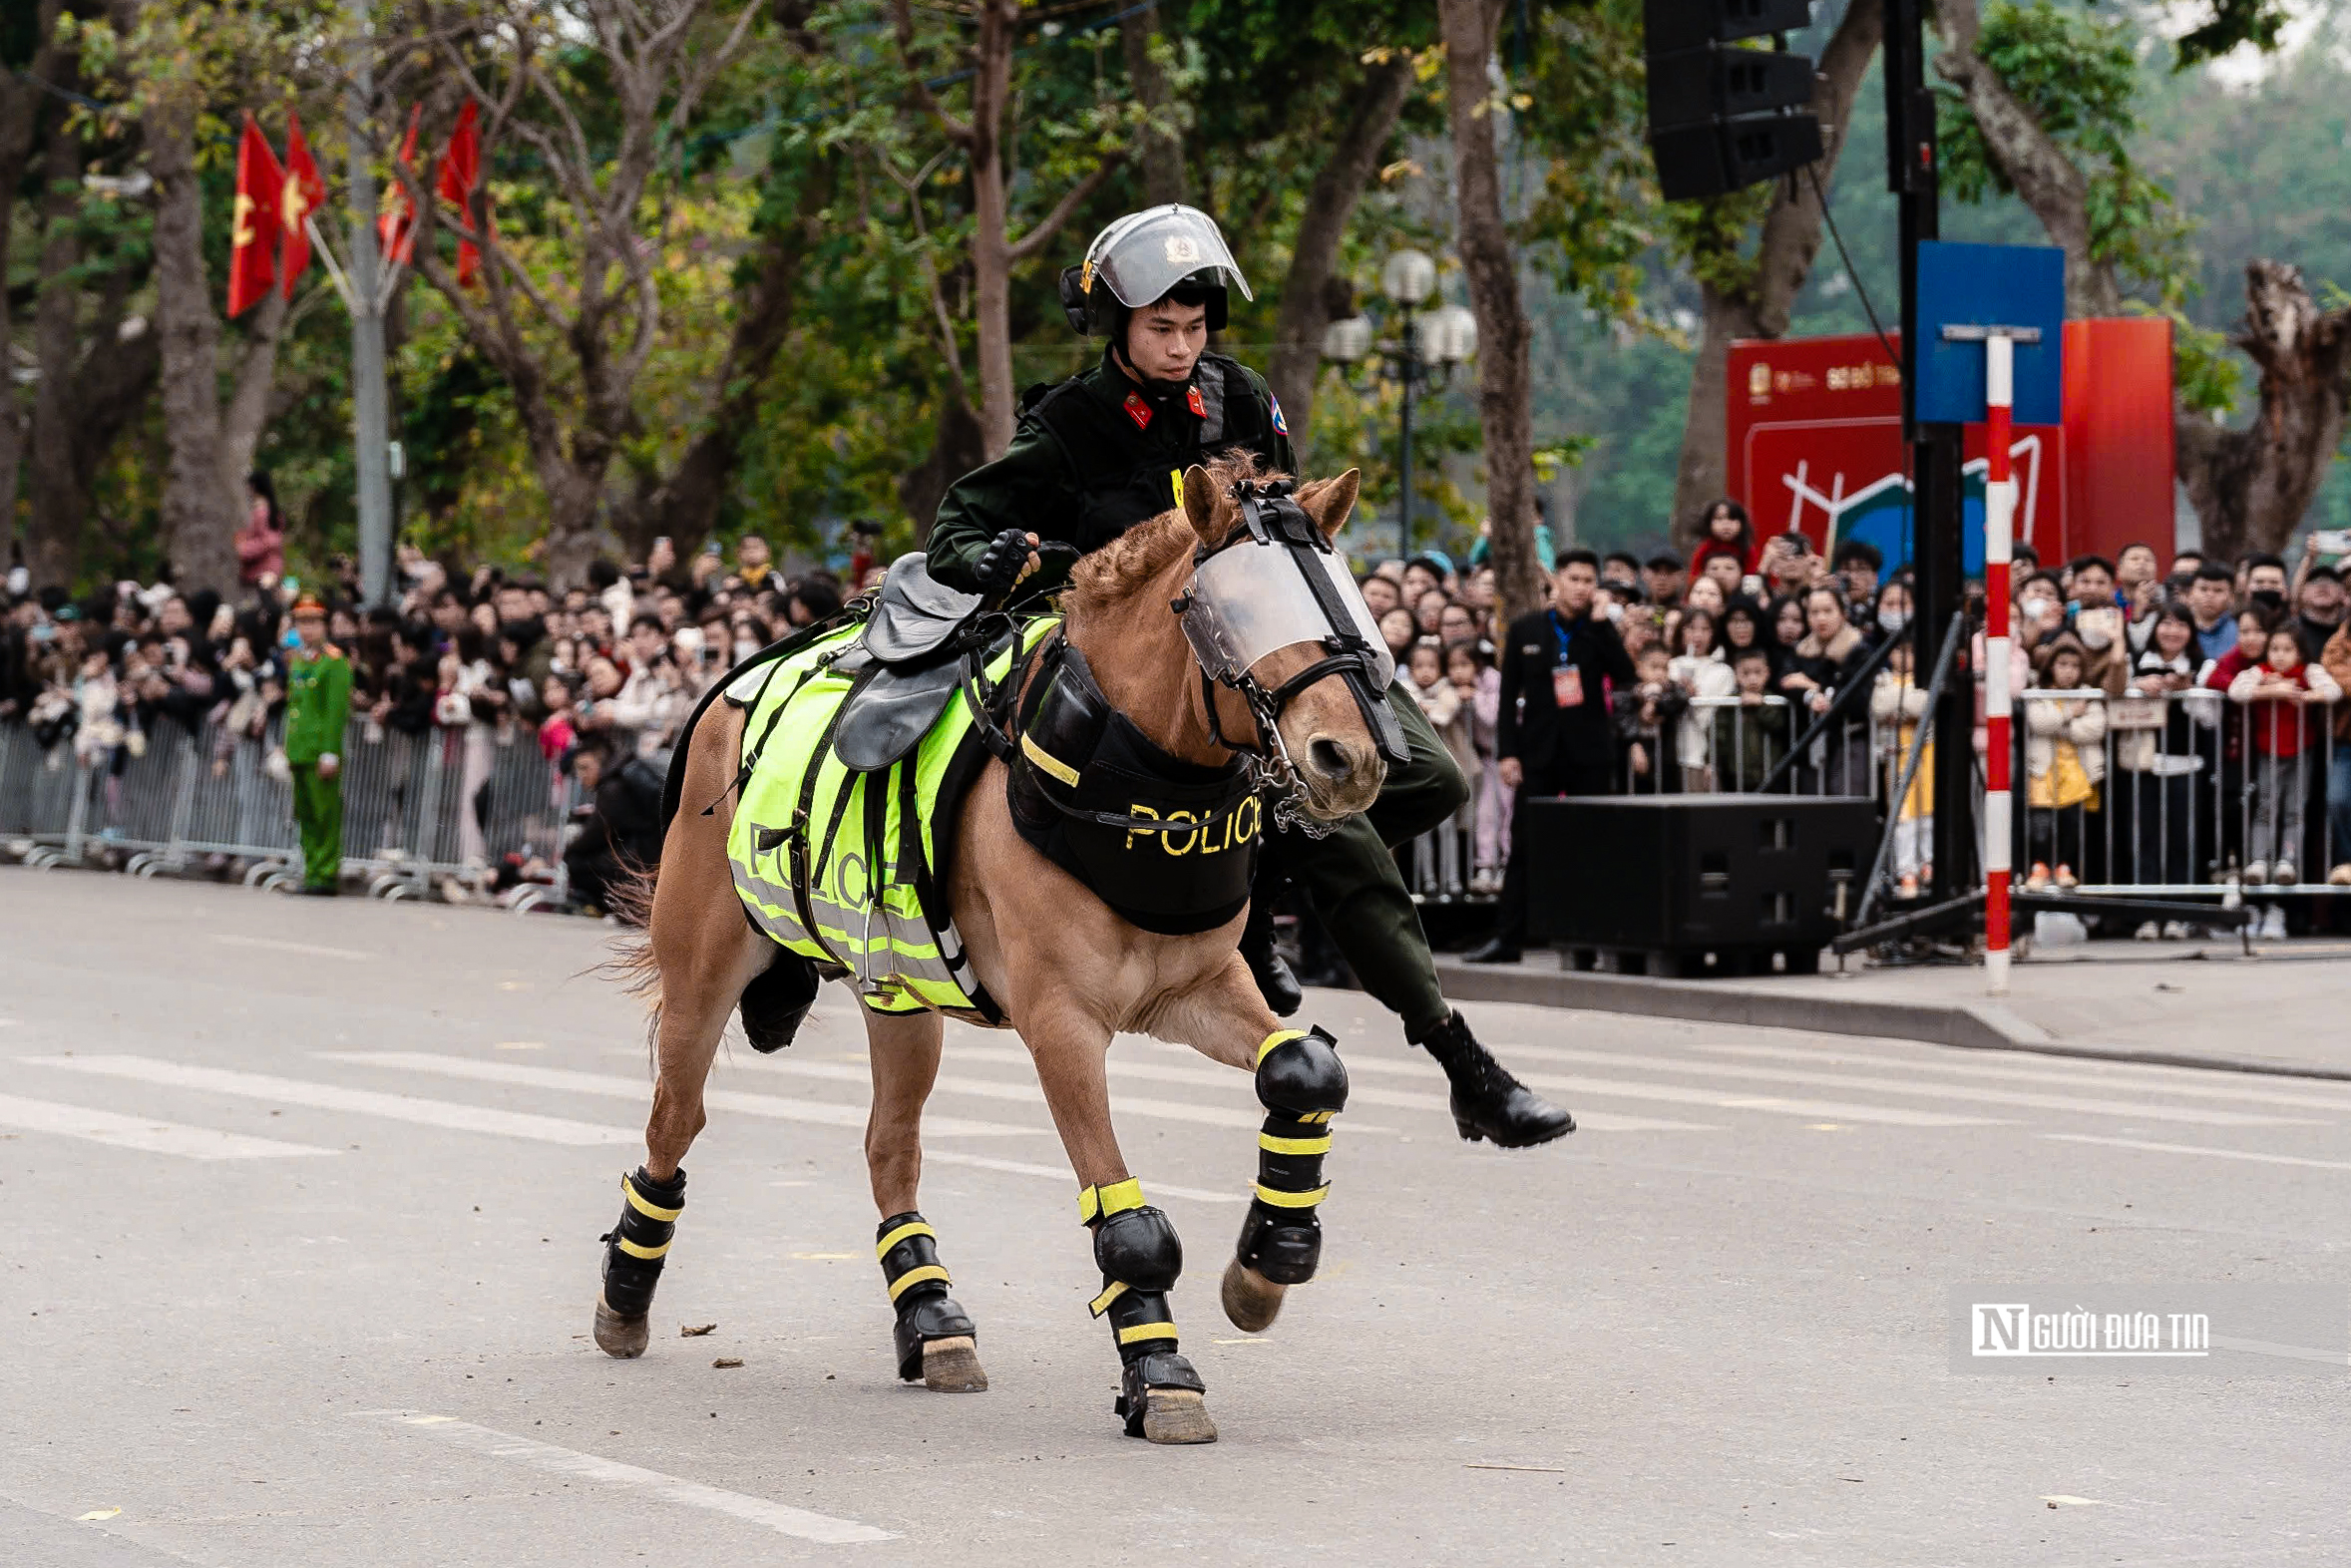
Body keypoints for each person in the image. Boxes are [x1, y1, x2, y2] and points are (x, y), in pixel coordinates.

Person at [927, 203, 1567, 1146]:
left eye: (1194, 328)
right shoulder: (1069, 423)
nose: (1182, 346)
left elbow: (1289, 527)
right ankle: (1461, 1063)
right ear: (1118, 324)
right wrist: (993, 559)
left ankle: (1256, 880)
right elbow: (955, 529)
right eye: (1160, 328)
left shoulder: (1241, 397)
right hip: (1127, 686)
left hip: (1265, 654)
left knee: (1425, 774)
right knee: (1342, 834)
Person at [1466, 549, 1636, 964]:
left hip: (1589, 754)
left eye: (1588, 581)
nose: (1581, 588)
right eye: (1574, 579)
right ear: (1556, 580)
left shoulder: (1598, 631)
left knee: (1594, 845)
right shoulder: (1527, 630)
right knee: (1523, 845)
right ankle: (1508, 939)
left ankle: (1592, 937)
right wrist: (1509, 754)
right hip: (1538, 753)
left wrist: (1602, 627)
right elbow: (1508, 700)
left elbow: (1626, 674)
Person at [2228, 623, 2341, 889]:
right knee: (2265, 807)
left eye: (2288, 649)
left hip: (2302, 752)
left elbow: (2334, 691)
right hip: (2267, 752)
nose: (2280, 655)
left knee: (2295, 809)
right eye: (2274, 649)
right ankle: (2258, 861)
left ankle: (2287, 861)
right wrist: (2269, 690)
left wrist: (2310, 696)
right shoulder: (2261, 672)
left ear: (2300, 653)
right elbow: (2236, 690)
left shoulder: (2308, 672)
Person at [2023, 634, 2105, 892]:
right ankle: (2040, 865)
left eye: (2075, 665)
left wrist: (2060, 725)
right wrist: (2070, 714)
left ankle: (2064, 865)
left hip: (2076, 770)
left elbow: (2095, 727)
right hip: (2044, 770)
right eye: (2063, 664)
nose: (2069, 671)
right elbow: (2038, 722)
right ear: (2051, 666)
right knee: (2041, 824)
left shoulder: (2087, 693)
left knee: (2071, 823)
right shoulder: (2037, 692)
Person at [282, 594, 352, 896]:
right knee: (306, 814)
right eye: (301, 622)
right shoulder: (299, 660)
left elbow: (335, 711)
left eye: (312, 622)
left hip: (319, 750)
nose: (306, 629)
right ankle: (312, 870)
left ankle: (325, 873)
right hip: (300, 749)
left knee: (325, 814)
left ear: (324, 625)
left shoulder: (334, 662)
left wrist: (330, 752)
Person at [1871, 637, 1932, 896]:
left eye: (1911, 651)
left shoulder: (1926, 677)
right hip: (1897, 755)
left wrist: (1900, 706)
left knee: (1928, 813)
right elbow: (1879, 706)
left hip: (1927, 754)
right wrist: (1909, 704)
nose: (1905, 656)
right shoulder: (1882, 680)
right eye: (1900, 651)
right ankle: (1905, 870)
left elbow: (1925, 704)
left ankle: (1927, 863)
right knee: (1903, 815)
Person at [1714, 646, 1788, 791]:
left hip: (1771, 772)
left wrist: (1761, 705)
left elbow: (1778, 724)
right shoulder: (1729, 703)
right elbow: (1718, 734)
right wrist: (1711, 762)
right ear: (1736, 675)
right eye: (1746, 673)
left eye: (1758, 672)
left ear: (1767, 673)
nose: (1752, 678)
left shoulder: (1773, 700)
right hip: (1736, 773)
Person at [235, 471, 286, 589]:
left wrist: (243, 549)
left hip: (264, 571)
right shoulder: (265, 510)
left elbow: (270, 540)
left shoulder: (263, 512)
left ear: (254, 487)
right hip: (259, 570)